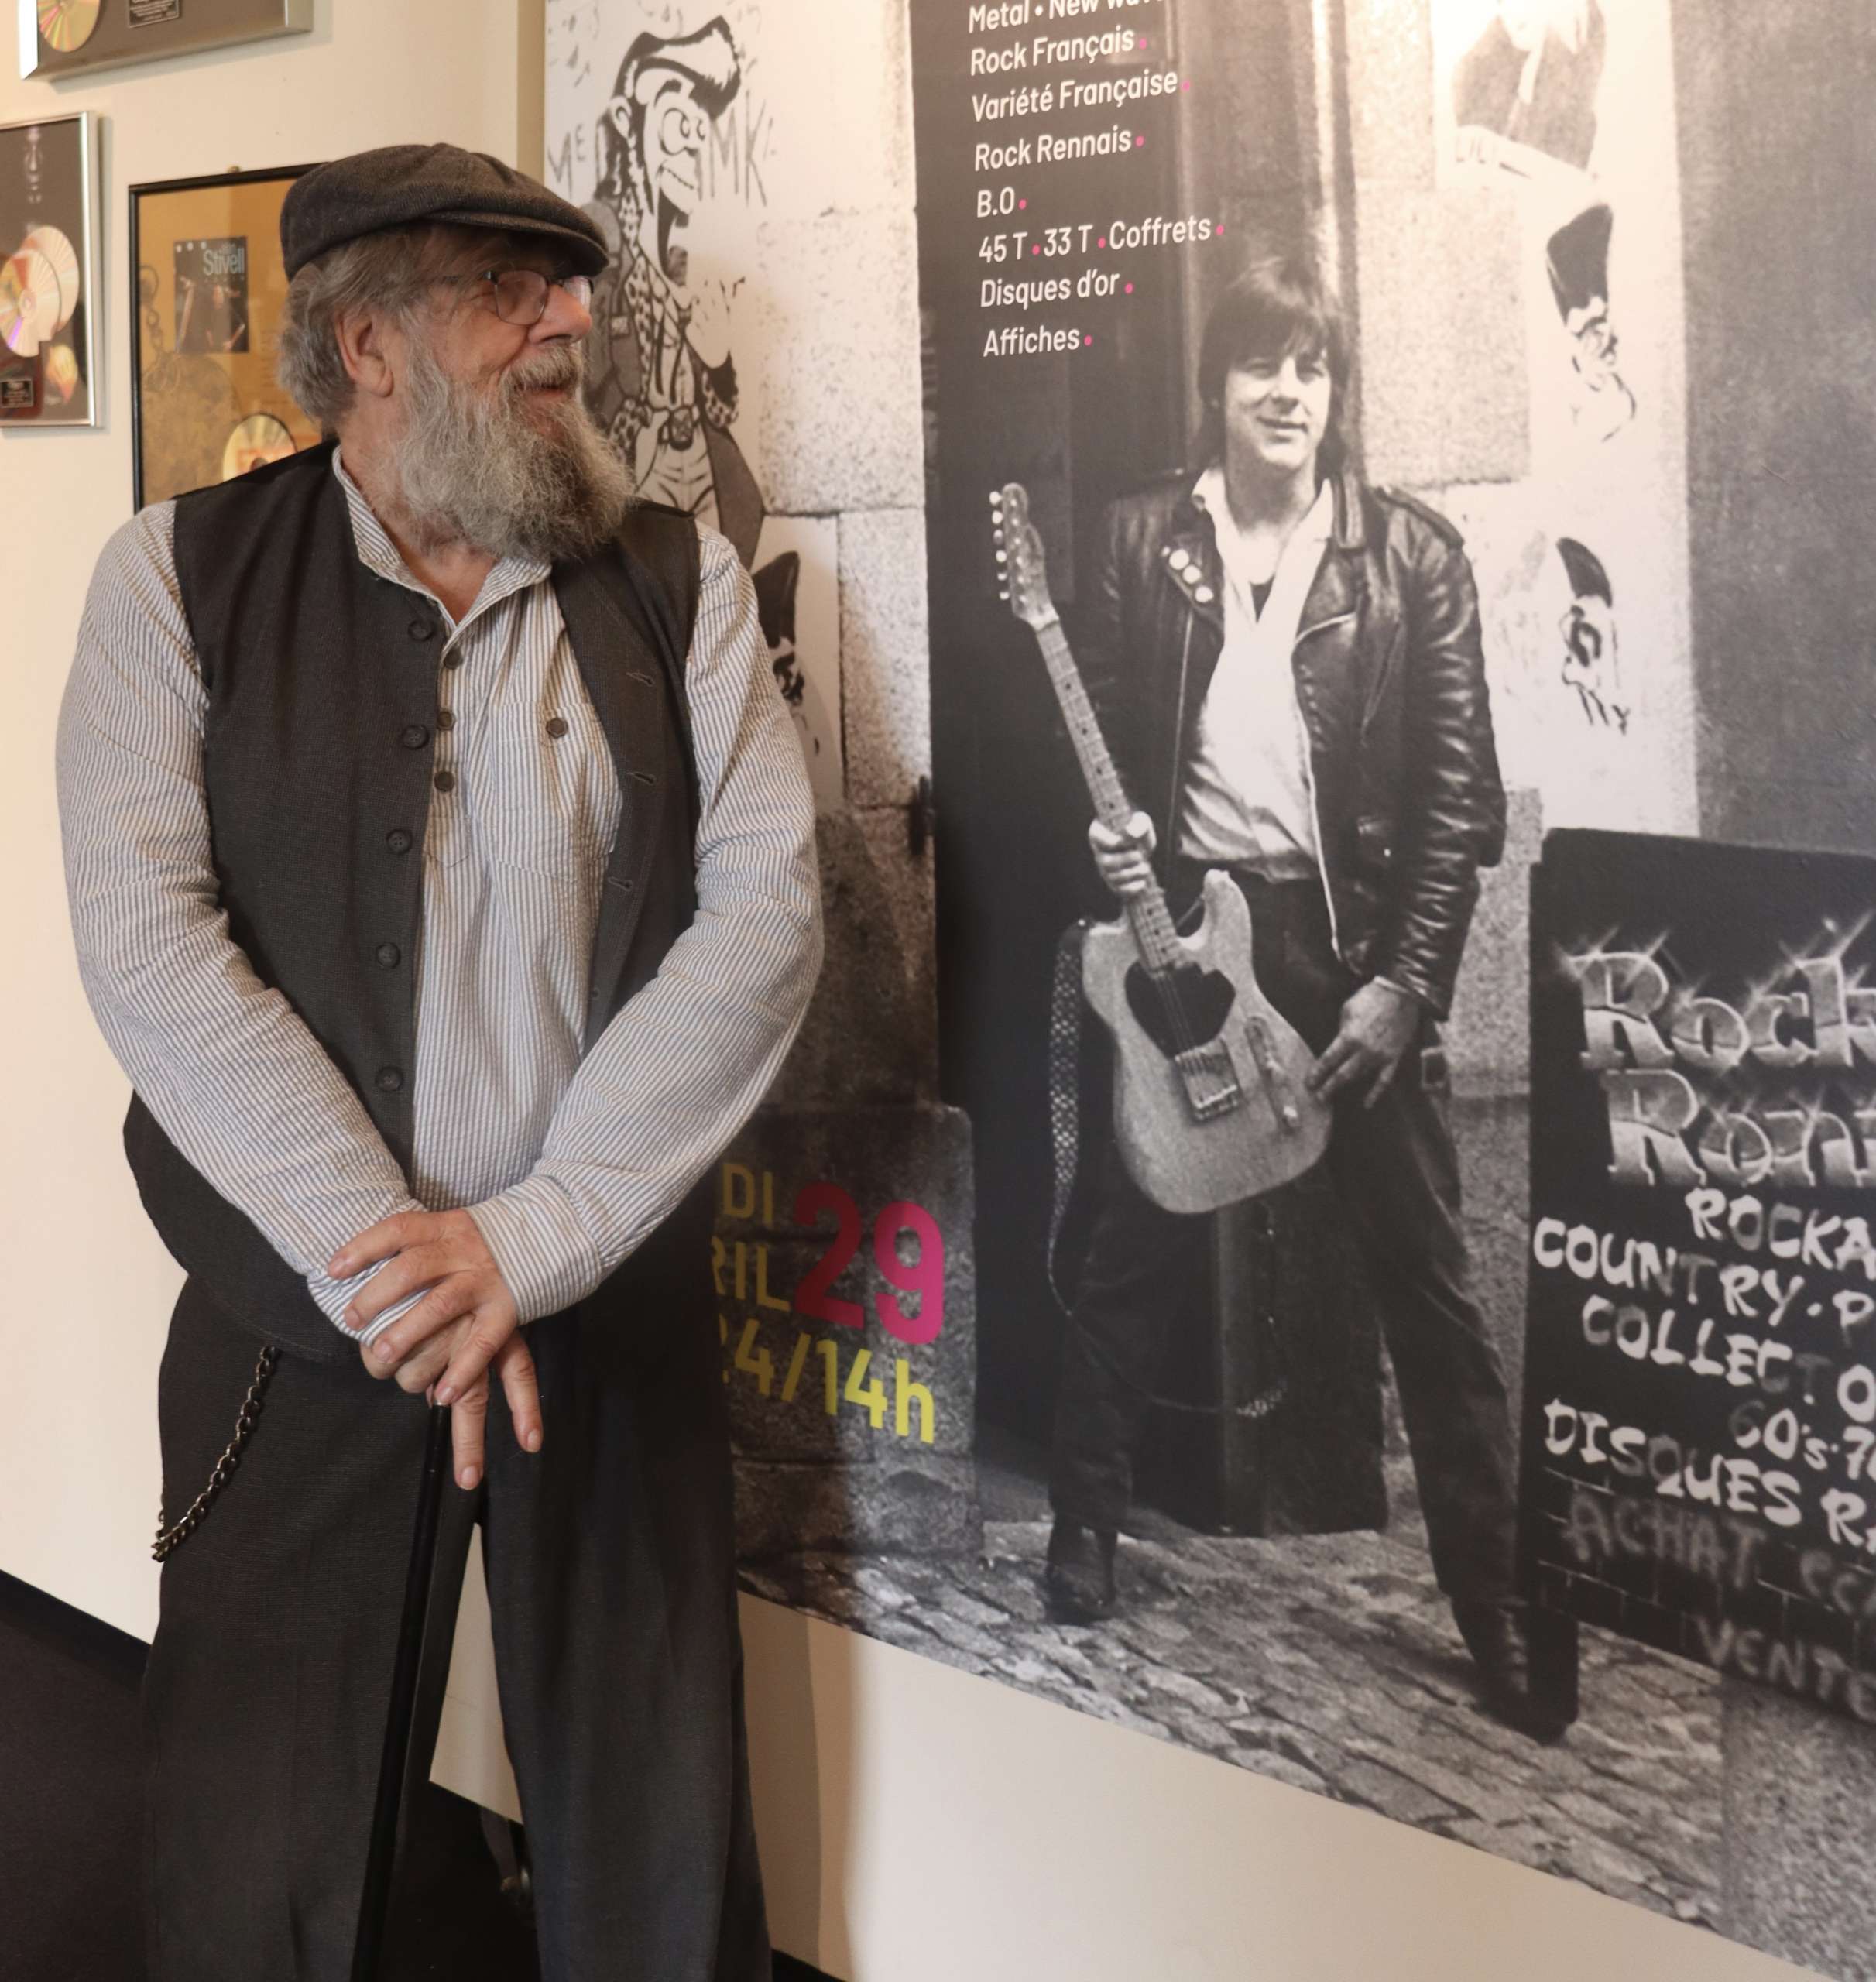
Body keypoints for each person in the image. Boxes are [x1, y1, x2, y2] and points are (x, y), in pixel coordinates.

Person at [56, 142, 821, 1979]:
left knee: (653, 1848)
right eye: (509, 287)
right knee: (262, 1852)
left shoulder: (680, 581)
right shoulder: (172, 579)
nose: (569, 321)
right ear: (369, 342)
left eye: (568, 284)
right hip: (303, 1323)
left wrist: (530, 1242)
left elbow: (769, 914)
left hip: (601, 1317)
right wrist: (407, 1277)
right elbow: (150, 945)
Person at [1044, 252, 1565, 1742]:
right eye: (1262, 362)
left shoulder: (1411, 559)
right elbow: (1098, 736)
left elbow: (1460, 805)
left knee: (1433, 1290)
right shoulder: (1142, 540)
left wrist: (1408, 985)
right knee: (1132, 1242)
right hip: (1195, 940)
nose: (1287, 392)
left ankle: (1497, 1606)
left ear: (1337, 391)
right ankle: (1084, 1529)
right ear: (1216, 381)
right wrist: (1111, 839)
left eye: (1312, 366)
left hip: (1353, 958)